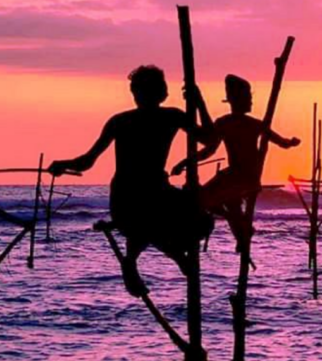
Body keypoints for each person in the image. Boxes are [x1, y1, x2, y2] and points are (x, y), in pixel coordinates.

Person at [48, 65, 214, 297]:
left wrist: (198, 102)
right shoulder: (150, 118)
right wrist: (199, 102)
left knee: (198, 220)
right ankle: (156, 257)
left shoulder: (157, 118)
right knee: (152, 221)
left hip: (152, 193)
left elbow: (86, 162)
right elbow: (210, 139)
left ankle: (154, 256)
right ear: (162, 93)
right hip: (131, 199)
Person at [172, 74, 301, 251]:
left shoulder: (248, 124)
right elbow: (209, 150)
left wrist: (291, 142)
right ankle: (242, 233)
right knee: (227, 204)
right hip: (238, 176)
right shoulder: (233, 123)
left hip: (244, 177)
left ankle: (242, 229)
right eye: (248, 98)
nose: (251, 102)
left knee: (207, 201)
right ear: (236, 100)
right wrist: (186, 162)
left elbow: (281, 142)